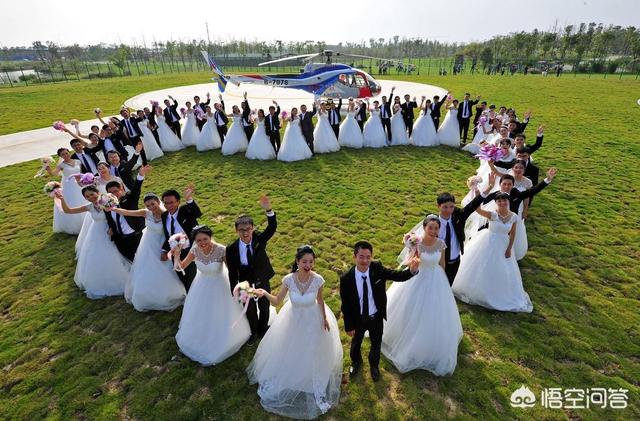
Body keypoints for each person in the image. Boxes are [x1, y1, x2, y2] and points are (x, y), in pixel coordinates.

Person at [249, 246, 342, 419]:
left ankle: (309, 376)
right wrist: (264, 293)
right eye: (304, 261)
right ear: (297, 261)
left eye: (311, 262)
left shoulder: (318, 280)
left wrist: (324, 318)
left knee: (312, 349)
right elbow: (277, 301)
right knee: (291, 348)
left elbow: (320, 300)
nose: (308, 265)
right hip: (293, 320)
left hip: (312, 320)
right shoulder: (288, 280)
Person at [382, 215, 463, 375]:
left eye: (436, 228)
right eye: (430, 227)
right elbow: (409, 261)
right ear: (424, 228)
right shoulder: (417, 243)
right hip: (417, 277)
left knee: (434, 311)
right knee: (409, 307)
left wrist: (444, 282)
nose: (433, 231)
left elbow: (442, 264)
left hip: (436, 278)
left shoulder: (441, 243)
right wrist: (411, 249)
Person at [339, 241, 419, 382]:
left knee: (376, 343)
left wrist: (411, 271)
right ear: (354, 256)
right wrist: (349, 325)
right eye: (361, 257)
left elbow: (396, 276)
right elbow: (345, 305)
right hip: (358, 318)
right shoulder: (346, 278)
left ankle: (374, 366)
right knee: (356, 343)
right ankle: (356, 362)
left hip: (376, 316)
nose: (365, 261)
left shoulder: (377, 268)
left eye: (368, 257)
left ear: (372, 256)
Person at [176, 225, 251, 365]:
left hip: (220, 285)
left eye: (205, 239)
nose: (202, 243)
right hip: (201, 285)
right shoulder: (194, 250)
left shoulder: (221, 250)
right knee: (200, 312)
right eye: (199, 240)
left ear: (210, 237)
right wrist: (176, 254)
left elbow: (232, 271)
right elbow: (181, 267)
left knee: (221, 312)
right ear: (195, 241)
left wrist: (238, 287)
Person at [452, 192, 533, 312]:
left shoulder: (514, 217)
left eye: (504, 200)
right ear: (496, 203)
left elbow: (513, 233)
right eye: (499, 201)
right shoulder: (492, 214)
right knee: (483, 264)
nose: (502, 203)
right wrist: (478, 195)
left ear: (508, 201)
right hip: (488, 242)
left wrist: (509, 248)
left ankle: (497, 291)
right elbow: (478, 210)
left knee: (501, 268)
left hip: (503, 244)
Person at [111, 193, 186, 312]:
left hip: (161, 244)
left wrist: (166, 249)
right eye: (148, 205)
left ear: (158, 202)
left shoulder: (167, 215)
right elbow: (127, 212)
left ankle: (171, 293)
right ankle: (148, 294)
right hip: (148, 245)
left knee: (165, 268)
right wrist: (113, 208)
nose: (151, 207)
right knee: (146, 268)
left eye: (153, 204)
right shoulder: (146, 213)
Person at [56, 186, 131, 299]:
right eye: (87, 196)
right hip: (96, 233)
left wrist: (112, 227)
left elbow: (117, 214)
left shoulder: (107, 201)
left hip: (110, 231)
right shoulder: (89, 207)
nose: (91, 197)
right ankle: (101, 279)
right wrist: (61, 199)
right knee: (96, 255)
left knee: (116, 253)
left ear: (98, 192)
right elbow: (68, 211)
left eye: (92, 194)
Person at [226, 196, 277, 342]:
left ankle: (263, 329)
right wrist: (234, 289)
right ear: (236, 230)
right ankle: (253, 332)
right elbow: (232, 271)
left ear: (253, 228)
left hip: (262, 278)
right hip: (245, 284)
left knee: (264, 306)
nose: (245, 233)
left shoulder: (259, 239)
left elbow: (272, 228)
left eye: (248, 229)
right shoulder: (231, 249)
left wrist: (269, 210)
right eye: (241, 230)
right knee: (249, 309)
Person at [103, 165, 150, 263]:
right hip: (122, 241)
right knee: (132, 263)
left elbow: (136, 188)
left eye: (116, 191)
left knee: (145, 261)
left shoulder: (129, 199)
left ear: (121, 190)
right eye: (110, 192)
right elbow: (110, 220)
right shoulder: (107, 206)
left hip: (138, 236)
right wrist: (111, 228)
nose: (114, 194)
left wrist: (140, 175)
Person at [160, 185, 202, 292]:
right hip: (175, 253)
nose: (169, 205)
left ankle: (194, 298)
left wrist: (188, 199)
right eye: (166, 203)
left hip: (190, 251)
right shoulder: (164, 216)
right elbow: (168, 235)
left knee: (191, 279)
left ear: (178, 202)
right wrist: (165, 250)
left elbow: (197, 213)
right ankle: (189, 296)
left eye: (172, 202)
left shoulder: (185, 210)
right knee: (182, 277)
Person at [45, 147, 87, 234]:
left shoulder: (78, 161)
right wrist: (48, 169)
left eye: (66, 153)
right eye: (63, 154)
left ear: (69, 153)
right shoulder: (61, 165)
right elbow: (54, 173)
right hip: (68, 186)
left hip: (79, 183)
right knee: (72, 202)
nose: (65, 155)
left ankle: (86, 222)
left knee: (83, 199)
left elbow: (81, 172)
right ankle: (75, 224)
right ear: (60, 156)